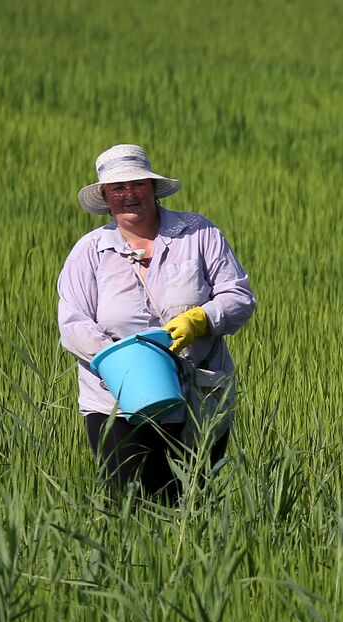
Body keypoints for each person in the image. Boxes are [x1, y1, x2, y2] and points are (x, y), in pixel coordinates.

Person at [57, 144, 256, 499]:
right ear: (105, 197)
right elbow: (72, 323)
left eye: (136, 184)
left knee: (192, 503)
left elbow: (239, 297)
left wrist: (202, 318)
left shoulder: (199, 233)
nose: (128, 194)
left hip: (197, 394)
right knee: (131, 505)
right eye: (117, 188)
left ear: (152, 188)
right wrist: (124, 362)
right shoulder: (89, 251)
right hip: (114, 403)